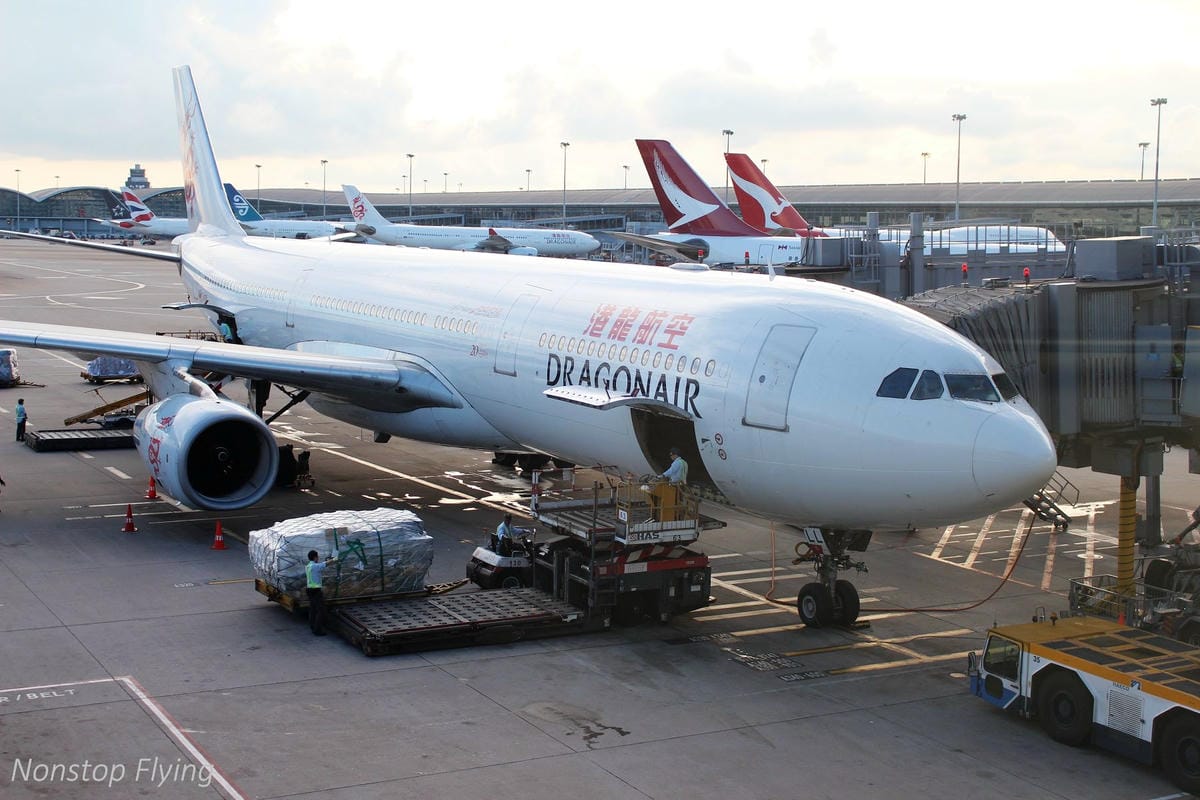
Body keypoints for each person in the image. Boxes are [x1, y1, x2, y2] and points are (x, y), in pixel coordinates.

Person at [305, 549, 337, 636]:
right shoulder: (315, 566)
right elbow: (325, 564)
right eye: (317, 557)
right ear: (315, 557)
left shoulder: (308, 566)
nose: (318, 558)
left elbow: (321, 564)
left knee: (313, 609)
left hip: (309, 590)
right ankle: (317, 630)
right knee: (321, 610)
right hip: (315, 591)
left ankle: (312, 626)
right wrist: (334, 559)